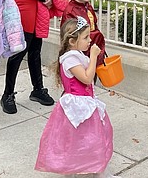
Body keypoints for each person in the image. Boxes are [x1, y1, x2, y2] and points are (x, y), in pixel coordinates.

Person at [34, 17, 114, 176]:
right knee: (78, 140)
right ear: (72, 41)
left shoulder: (77, 54)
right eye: (85, 38)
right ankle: (75, 168)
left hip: (85, 104)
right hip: (77, 107)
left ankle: (92, 167)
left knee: (91, 139)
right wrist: (93, 57)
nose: (89, 40)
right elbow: (87, 78)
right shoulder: (70, 59)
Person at [60, 0, 106, 66]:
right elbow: (71, 38)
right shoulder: (70, 12)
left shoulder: (87, 6)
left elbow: (94, 24)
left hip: (91, 51)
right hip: (78, 57)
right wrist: (97, 36)